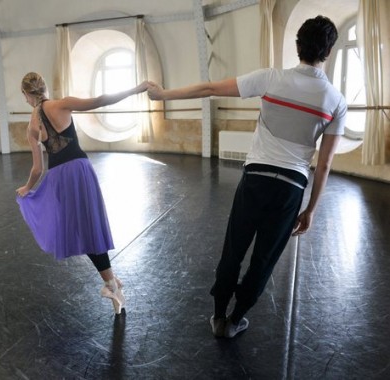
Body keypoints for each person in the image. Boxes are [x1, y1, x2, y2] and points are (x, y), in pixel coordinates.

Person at [148, 15, 346, 337]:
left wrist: (163, 95)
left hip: (256, 179)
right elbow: (324, 165)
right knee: (264, 260)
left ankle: (217, 316)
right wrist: (310, 209)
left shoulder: (271, 78)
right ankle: (236, 320)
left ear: (297, 46)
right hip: (291, 189)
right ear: (329, 51)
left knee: (234, 249)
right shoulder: (336, 102)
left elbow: (211, 87)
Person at [16, 72, 148, 314]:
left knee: (84, 229)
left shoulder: (31, 127)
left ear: (26, 94)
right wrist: (134, 89)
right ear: (44, 88)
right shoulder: (62, 104)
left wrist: (27, 188)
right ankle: (112, 283)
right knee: (89, 227)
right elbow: (100, 100)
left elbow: (37, 169)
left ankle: (112, 283)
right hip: (79, 170)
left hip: (58, 179)